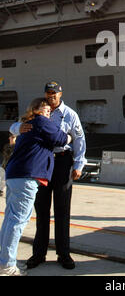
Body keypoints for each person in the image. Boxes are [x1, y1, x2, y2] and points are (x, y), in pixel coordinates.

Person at [9, 82, 86, 270]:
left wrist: (78, 164)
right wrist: (18, 128)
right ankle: (38, 253)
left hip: (62, 162)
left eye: (54, 93)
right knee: (41, 210)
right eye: (48, 93)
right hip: (42, 163)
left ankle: (64, 253)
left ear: (61, 94)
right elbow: (16, 125)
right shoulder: (39, 113)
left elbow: (79, 139)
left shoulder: (70, 114)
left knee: (62, 210)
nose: (51, 96)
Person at [0, 98, 70, 276]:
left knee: (10, 219)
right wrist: (70, 135)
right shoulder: (41, 121)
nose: (48, 112)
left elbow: (15, 130)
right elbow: (61, 139)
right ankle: (7, 266)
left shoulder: (27, 124)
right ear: (36, 110)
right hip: (27, 177)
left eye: (48, 110)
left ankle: (4, 260)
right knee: (18, 221)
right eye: (45, 109)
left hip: (14, 175)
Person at [0, 132, 16, 197]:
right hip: (6, 165)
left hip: (14, 169)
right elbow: (6, 156)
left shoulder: (19, 147)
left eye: (12, 137)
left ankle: (1, 189)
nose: (10, 138)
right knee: (2, 172)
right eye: (10, 137)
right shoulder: (7, 147)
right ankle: (1, 189)